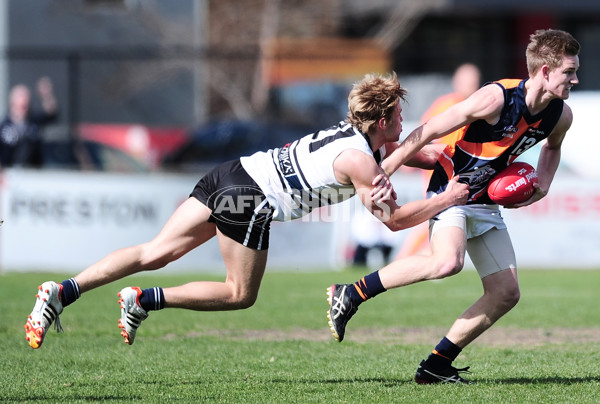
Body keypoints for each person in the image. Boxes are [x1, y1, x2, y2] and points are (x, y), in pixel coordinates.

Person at [24, 72, 469, 349]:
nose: (403, 121)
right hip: (251, 199)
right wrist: (446, 199)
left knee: (153, 251)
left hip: (232, 172)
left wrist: (429, 156)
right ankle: (144, 300)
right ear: (381, 120)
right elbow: (393, 220)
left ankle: (62, 291)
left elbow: (392, 152)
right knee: (240, 294)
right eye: (397, 114)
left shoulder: (353, 136)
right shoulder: (360, 161)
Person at [326, 29, 580, 384]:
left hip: (486, 200)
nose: (575, 78)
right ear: (544, 72)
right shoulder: (496, 98)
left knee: (506, 294)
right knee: (447, 262)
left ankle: (437, 365)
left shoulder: (560, 115)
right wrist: (388, 167)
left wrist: (544, 183)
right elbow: (428, 131)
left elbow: (552, 148)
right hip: (452, 187)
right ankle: (351, 293)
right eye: (569, 72)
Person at [397, 63, 481, 259]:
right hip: (440, 172)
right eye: (468, 80)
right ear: (456, 82)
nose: (472, 84)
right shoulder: (446, 104)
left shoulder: (482, 106)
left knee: (450, 216)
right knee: (432, 214)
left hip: (466, 173)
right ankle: (403, 259)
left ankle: (432, 256)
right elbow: (424, 132)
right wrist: (409, 157)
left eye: (474, 80)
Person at [0, 77, 59, 168]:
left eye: (27, 97)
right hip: (9, 173)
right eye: (21, 96)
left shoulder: (33, 121)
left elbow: (52, 114)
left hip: (33, 174)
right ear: (12, 101)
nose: (25, 100)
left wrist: (47, 96)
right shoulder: (4, 126)